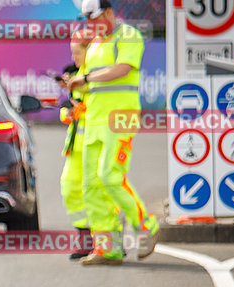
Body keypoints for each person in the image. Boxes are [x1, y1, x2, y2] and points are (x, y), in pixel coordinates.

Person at [67, 0, 159, 266]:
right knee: (91, 186)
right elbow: (89, 80)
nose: (90, 24)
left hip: (120, 119)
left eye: (94, 18)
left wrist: (84, 80)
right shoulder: (95, 43)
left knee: (110, 177)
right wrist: (75, 85)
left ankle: (147, 225)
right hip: (95, 121)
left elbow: (122, 69)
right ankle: (108, 249)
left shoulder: (129, 36)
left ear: (108, 12)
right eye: (86, 19)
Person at [58, 31, 93, 259]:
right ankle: (85, 239)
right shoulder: (76, 75)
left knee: (96, 192)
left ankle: (104, 240)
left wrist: (81, 110)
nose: (74, 57)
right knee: (70, 188)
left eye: (77, 52)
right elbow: (66, 107)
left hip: (94, 144)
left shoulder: (94, 76)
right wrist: (68, 112)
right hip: (76, 147)